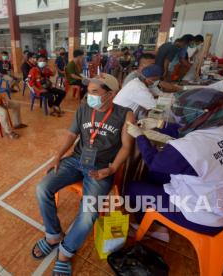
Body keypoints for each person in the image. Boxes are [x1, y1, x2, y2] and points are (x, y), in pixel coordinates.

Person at [33, 74, 134, 275]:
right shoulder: (83, 109)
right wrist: (57, 156)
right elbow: (72, 135)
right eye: (89, 91)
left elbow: (127, 146)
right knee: (42, 187)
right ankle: (53, 235)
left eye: (95, 92)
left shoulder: (126, 114)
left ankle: (66, 252)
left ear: (111, 94)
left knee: (89, 213)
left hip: (101, 168)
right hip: (76, 159)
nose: (90, 96)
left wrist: (112, 168)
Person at [125, 88, 223, 236]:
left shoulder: (191, 147)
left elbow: (154, 161)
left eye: (182, 114)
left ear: (202, 114)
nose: (178, 117)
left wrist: (140, 136)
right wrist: (161, 125)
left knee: (132, 188)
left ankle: (151, 229)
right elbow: (196, 129)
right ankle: (155, 215)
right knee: (155, 176)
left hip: (206, 218)